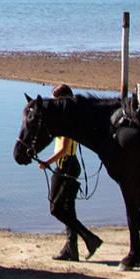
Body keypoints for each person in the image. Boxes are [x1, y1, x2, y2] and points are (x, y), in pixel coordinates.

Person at [36, 84, 102, 261]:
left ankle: (89, 238)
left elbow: (65, 148)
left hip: (67, 165)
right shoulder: (66, 119)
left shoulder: (68, 121)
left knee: (56, 208)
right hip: (67, 165)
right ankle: (71, 248)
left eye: (56, 99)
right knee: (67, 209)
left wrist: (46, 162)